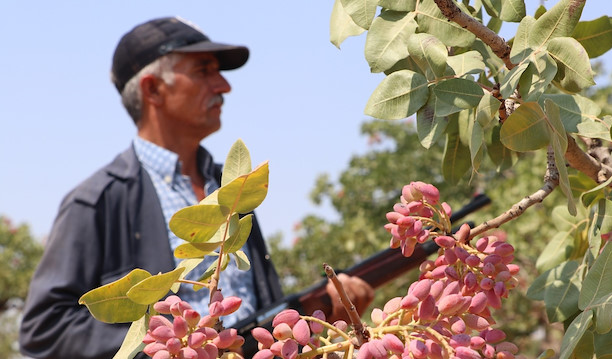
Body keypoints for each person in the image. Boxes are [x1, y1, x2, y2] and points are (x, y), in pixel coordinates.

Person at [19, 17, 374, 359]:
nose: (223, 85)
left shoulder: (235, 188)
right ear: (153, 89)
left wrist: (318, 306)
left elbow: (255, 326)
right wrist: (170, 343)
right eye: (204, 71)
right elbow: (44, 330)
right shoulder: (96, 201)